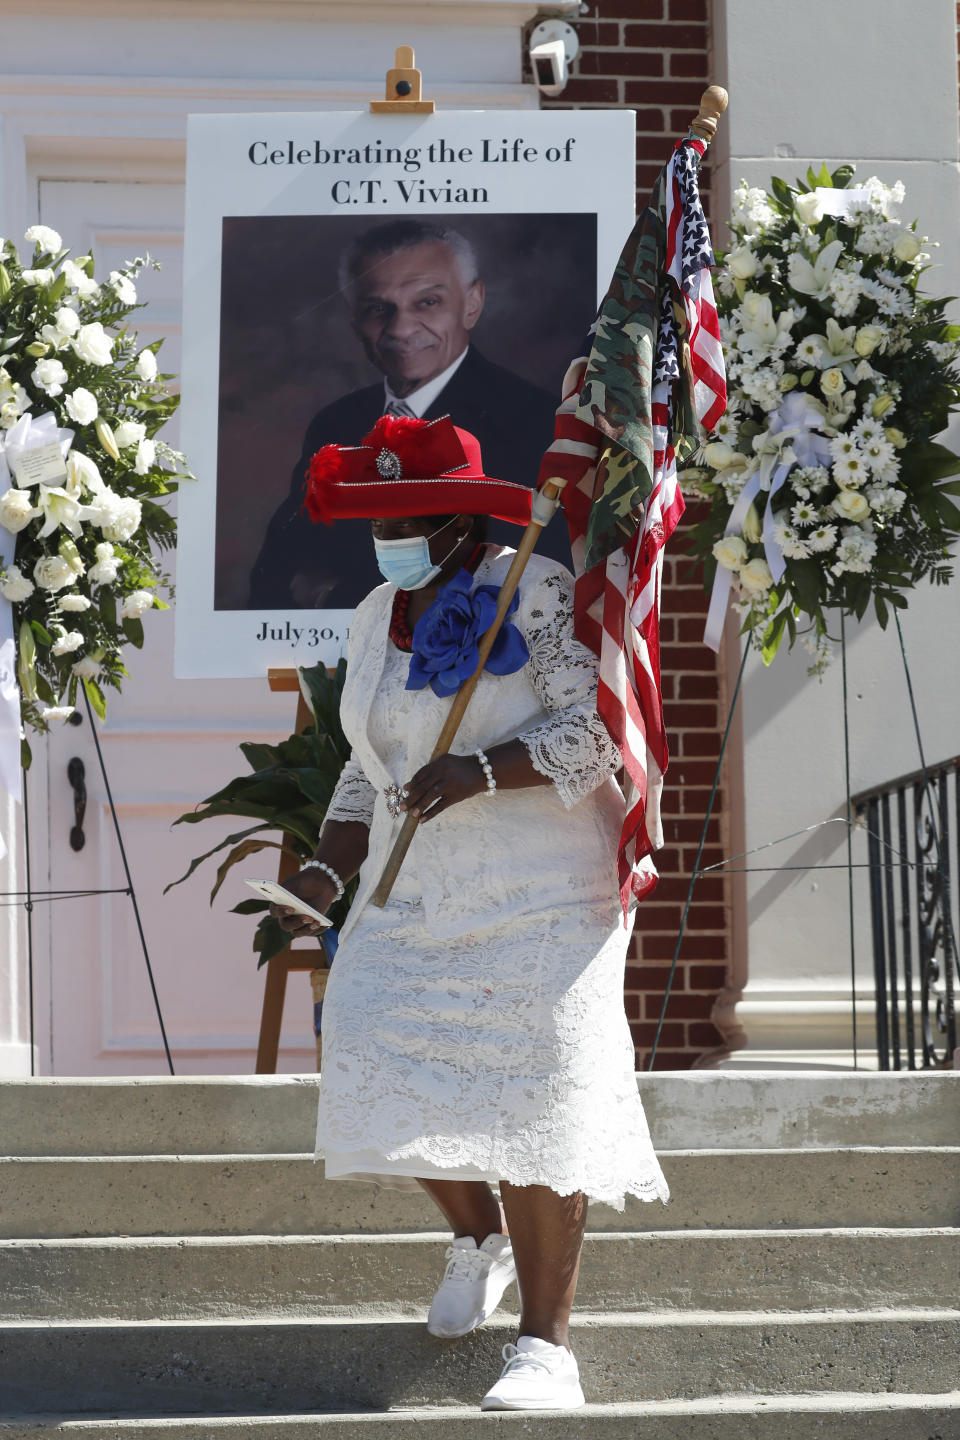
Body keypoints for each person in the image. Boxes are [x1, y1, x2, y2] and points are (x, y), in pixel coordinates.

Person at [273, 415, 669, 1412]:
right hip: (414, 897)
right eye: (375, 517)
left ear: (457, 519)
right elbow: (370, 772)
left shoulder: (533, 584)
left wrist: (486, 769)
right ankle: (477, 1233)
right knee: (364, 1044)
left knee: (537, 1097)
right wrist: (324, 872)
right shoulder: (373, 614)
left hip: (544, 894)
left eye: (404, 517)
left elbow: (600, 736)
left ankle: (547, 1348)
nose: (386, 536)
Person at [248, 219, 565, 610]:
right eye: (378, 308)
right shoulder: (336, 423)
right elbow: (284, 569)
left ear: (472, 304)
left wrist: (344, 588)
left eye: (427, 302)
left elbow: (542, 570)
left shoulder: (533, 419)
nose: (400, 328)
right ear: (354, 320)